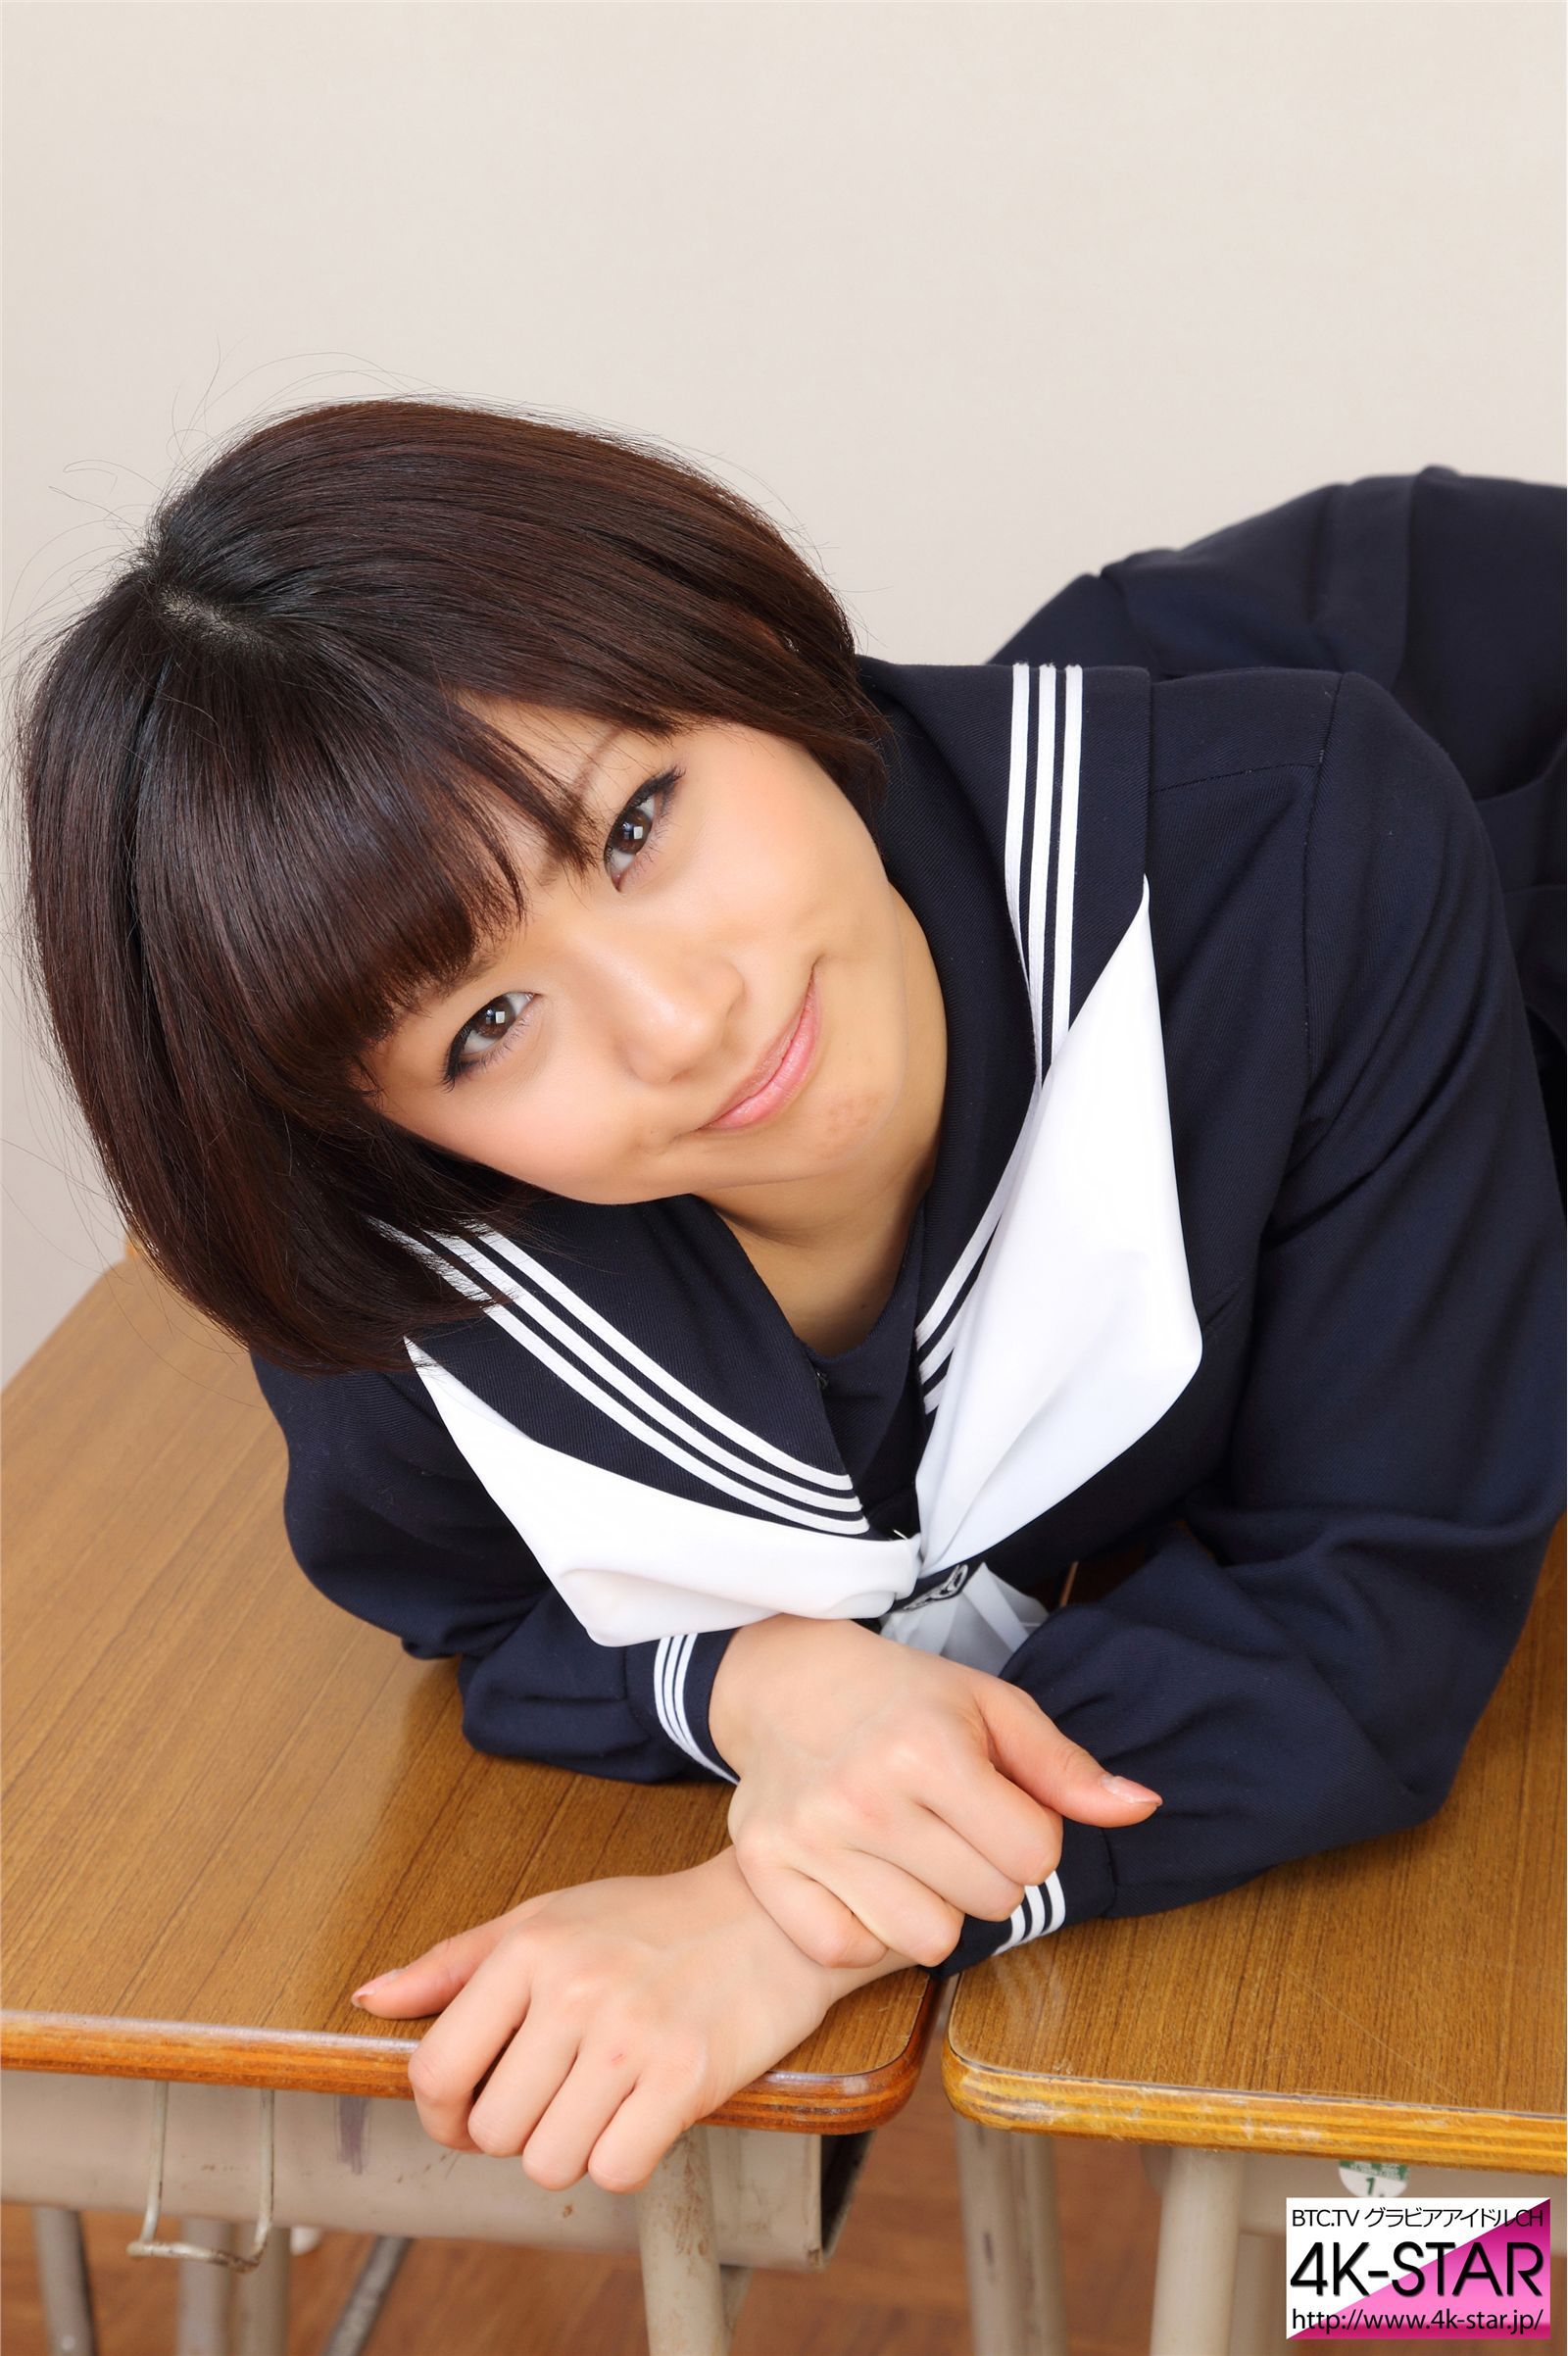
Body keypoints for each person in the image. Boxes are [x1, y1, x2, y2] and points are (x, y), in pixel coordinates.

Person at [17, 402, 1563, 2199]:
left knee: (1423, 2211)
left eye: (636, 826)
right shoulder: (402, 1255)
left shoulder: (1309, 848)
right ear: (368, 1127)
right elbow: (482, 1602)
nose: (686, 1021)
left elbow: (1371, 1597)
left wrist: (782, 1919)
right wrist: (769, 1683)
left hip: (1485, 856)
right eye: (488, 1025)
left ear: (740, 644)